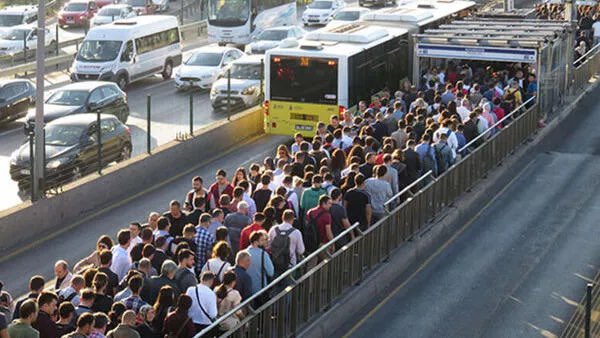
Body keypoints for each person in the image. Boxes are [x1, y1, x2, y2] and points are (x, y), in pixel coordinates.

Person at [268, 210, 305, 274]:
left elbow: (268, 245)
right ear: (293, 219)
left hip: (275, 262)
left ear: (282, 217)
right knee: (290, 283)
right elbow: (301, 250)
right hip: (290, 264)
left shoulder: (273, 229)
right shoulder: (296, 232)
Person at [244, 230, 274, 295]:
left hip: (247, 290)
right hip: (260, 289)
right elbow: (271, 272)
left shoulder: (243, 253)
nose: (264, 242)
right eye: (262, 240)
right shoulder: (263, 254)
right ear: (256, 242)